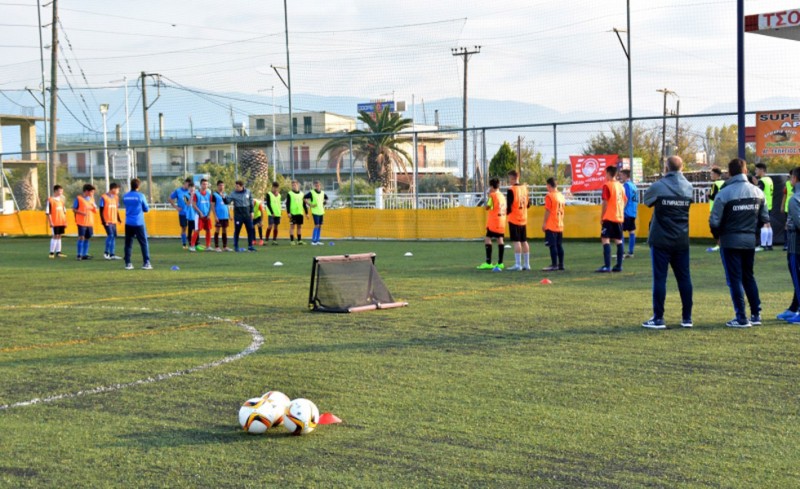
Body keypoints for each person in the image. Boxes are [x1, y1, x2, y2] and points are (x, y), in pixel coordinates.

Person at [709, 158, 769, 328]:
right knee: (748, 276)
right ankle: (756, 315)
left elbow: (714, 221)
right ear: (745, 170)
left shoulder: (724, 192)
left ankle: (741, 318)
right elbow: (764, 218)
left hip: (729, 241)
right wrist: (753, 234)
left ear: (730, 172)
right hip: (749, 241)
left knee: (734, 279)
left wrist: (718, 236)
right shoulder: (758, 192)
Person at [641, 156, 694, 329]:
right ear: (683, 167)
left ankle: (658, 318)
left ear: (666, 167)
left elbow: (647, 200)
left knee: (660, 279)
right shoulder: (689, 187)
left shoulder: (658, 186)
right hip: (681, 239)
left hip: (661, 239)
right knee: (684, 278)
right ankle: (687, 318)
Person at [596, 166, 627, 273]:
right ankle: (619, 265)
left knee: (605, 239)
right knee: (618, 240)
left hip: (609, 217)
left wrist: (602, 217)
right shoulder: (621, 186)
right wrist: (619, 209)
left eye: (606, 174)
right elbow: (625, 201)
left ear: (608, 173)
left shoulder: (607, 185)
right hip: (619, 217)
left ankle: (607, 266)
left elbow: (605, 202)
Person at [780, 167, 800, 323]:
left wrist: (791, 225)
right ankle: (794, 307)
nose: (789, 180)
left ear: (795, 179)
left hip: (796, 246)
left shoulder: (794, 199)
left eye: (791, 177)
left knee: (797, 278)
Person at [477, 177, 506, 271]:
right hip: (502, 220)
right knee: (500, 239)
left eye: (490, 186)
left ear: (492, 186)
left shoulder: (493, 195)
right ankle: (500, 263)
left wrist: (487, 199)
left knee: (487, 238)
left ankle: (488, 262)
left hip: (494, 221)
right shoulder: (502, 196)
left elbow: (488, 207)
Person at [122, 178, 152, 270]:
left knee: (128, 244)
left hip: (128, 223)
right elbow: (146, 209)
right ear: (138, 186)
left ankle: (128, 263)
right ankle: (146, 263)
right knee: (143, 243)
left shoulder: (125, 196)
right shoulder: (141, 196)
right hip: (139, 223)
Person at [505, 170, 530, 271]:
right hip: (523, 218)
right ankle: (527, 264)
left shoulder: (511, 190)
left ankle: (518, 264)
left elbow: (509, 207)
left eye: (509, 179)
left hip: (514, 219)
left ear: (512, 178)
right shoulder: (525, 189)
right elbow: (528, 205)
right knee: (524, 241)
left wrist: (505, 213)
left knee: (516, 242)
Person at [542, 177, 565, 272]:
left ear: (548, 185)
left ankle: (554, 264)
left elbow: (548, 210)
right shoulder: (561, 196)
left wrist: (544, 223)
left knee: (552, 245)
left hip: (551, 223)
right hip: (559, 223)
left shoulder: (549, 196)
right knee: (559, 245)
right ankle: (561, 264)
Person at [227, 180, 257, 252]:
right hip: (238, 215)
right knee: (237, 231)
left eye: (237, 186)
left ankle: (250, 246)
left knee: (250, 230)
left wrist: (252, 211)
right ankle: (236, 246)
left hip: (247, 215)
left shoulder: (248, 192)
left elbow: (251, 202)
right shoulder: (233, 193)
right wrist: (224, 198)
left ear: (242, 186)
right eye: (235, 186)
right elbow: (227, 201)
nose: (236, 188)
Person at [73, 183, 97, 260]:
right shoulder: (79, 199)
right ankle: (79, 254)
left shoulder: (92, 199)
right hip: (81, 222)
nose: (92, 194)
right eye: (91, 192)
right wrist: (81, 213)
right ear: (86, 191)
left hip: (89, 222)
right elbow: (74, 209)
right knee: (81, 237)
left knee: (87, 238)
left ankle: (84, 254)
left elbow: (95, 210)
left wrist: (94, 205)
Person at [98, 183, 122, 260]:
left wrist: (118, 218)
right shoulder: (104, 197)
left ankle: (112, 254)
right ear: (113, 189)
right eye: (118, 189)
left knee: (114, 236)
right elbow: (101, 210)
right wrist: (103, 221)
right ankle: (106, 253)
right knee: (110, 235)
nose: (118, 191)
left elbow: (116, 209)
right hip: (107, 220)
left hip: (114, 220)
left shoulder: (116, 197)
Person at [755, 163, 774, 251]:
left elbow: (758, 193)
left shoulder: (762, 181)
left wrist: (755, 185)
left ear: (762, 170)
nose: (756, 171)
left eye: (757, 170)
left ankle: (763, 245)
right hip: (769, 204)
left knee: (764, 225)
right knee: (768, 224)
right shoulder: (769, 179)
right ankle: (769, 245)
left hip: (763, 205)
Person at [619, 169, 638, 258]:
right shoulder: (634, 185)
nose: (620, 177)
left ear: (626, 176)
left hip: (626, 211)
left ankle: (621, 252)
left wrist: (621, 209)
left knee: (620, 230)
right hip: (633, 211)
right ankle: (631, 252)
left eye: (621, 175)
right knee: (631, 231)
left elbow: (625, 198)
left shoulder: (626, 185)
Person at [191, 178, 214, 251]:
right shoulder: (196, 194)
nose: (205, 185)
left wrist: (209, 214)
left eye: (206, 184)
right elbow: (194, 205)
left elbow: (211, 205)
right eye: (204, 184)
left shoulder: (209, 194)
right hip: (198, 215)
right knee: (197, 230)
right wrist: (200, 212)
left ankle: (208, 246)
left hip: (207, 215)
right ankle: (192, 246)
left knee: (208, 230)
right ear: (200, 185)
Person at [169, 178, 192, 249]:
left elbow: (190, 202)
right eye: (188, 184)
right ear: (185, 183)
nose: (188, 186)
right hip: (182, 213)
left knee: (192, 228)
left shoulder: (191, 191)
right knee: (184, 228)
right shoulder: (178, 191)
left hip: (191, 213)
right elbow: (170, 198)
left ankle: (192, 243)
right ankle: (184, 244)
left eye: (190, 185)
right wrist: (176, 207)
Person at [46, 184, 68, 258]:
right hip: (54, 222)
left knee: (59, 236)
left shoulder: (62, 201)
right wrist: (51, 222)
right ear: (55, 191)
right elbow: (48, 212)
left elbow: (64, 212)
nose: (61, 192)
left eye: (62, 191)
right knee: (55, 236)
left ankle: (58, 252)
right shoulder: (50, 200)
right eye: (60, 191)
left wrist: (65, 221)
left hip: (61, 221)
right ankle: (51, 253)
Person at [706, 167, 725, 252]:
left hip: (715, 208)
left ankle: (718, 244)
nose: (711, 175)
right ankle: (722, 243)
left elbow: (714, 196)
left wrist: (708, 195)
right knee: (722, 226)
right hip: (723, 207)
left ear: (717, 175)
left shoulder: (715, 184)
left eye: (712, 174)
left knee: (714, 226)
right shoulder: (724, 183)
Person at [304, 180, 328, 245]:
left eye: (318, 185)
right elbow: (304, 198)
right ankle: (313, 241)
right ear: (315, 186)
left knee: (320, 226)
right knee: (316, 225)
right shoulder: (312, 192)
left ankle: (317, 240)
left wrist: (325, 202)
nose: (317, 186)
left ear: (320, 186)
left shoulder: (322, 193)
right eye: (316, 185)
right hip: (315, 212)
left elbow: (326, 198)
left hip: (321, 211)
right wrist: (310, 204)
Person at [211, 180, 232, 252]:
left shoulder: (225, 194)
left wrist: (229, 215)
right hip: (219, 216)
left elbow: (227, 205)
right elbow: (213, 206)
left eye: (223, 185)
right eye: (220, 185)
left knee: (224, 230)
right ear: (217, 186)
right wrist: (215, 216)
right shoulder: (214, 195)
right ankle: (216, 247)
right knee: (217, 229)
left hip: (225, 216)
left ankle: (225, 246)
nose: (221, 187)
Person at [286, 180, 308, 245]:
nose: (294, 186)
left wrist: (306, 213)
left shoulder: (302, 194)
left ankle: (299, 240)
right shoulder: (289, 193)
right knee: (292, 227)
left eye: (295, 185)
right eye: (292, 185)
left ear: (298, 185)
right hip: (293, 213)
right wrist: (288, 212)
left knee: (299, 227)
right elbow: (288, 204)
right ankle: (292, 240)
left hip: (300, 213)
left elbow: (304, 204)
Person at [183, 182, 199, 252]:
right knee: (190, 229)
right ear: (189, 188)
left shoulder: (197, 195)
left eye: (193, 188)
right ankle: (190, 242)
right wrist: (191, 196)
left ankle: (196, 243)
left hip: (196, 215)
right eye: (190, 188)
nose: (192, 189)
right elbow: (188, 204)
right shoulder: (185, 195)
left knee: (197, 229)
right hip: (190, 215)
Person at [782, 169, 794, 251]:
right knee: (787, 225)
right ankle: (786, 244)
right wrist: (782, 206)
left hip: (797, 207)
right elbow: (785, 196)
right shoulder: (787, 184)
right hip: (788, 208)